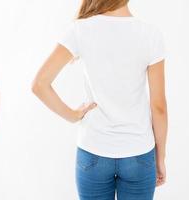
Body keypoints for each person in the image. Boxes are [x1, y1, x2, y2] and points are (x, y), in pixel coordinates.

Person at [32, 0, 167, 199]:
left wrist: (73, 116)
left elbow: (40, 84)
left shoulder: (79, 29)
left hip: (93, 151)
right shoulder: (150, 34)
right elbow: (159, 107)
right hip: (138, 153)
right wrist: (160, 156)